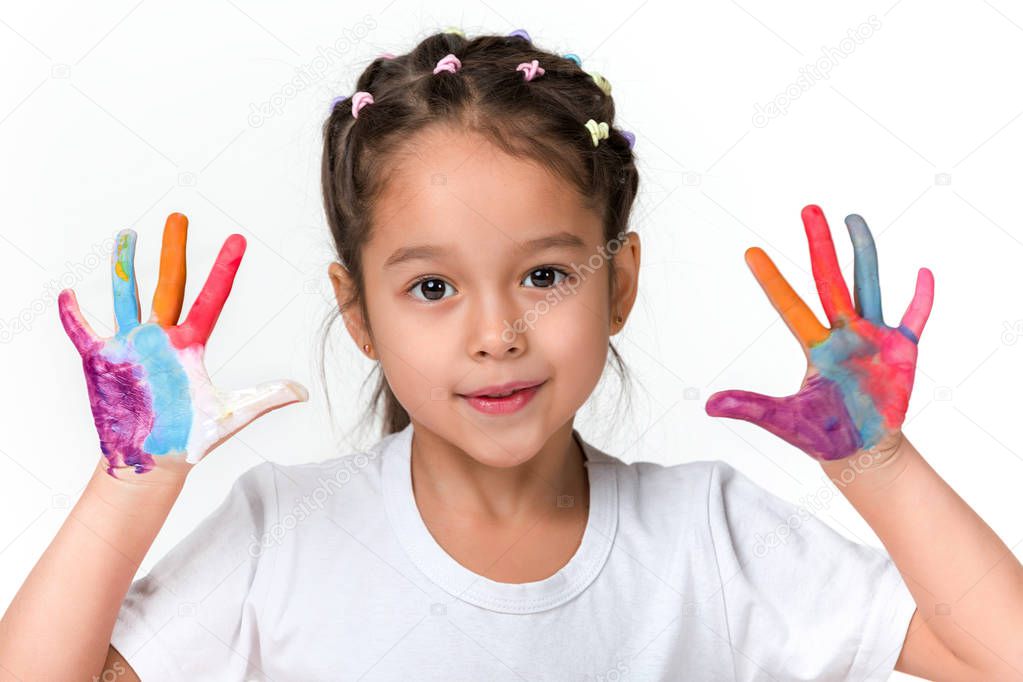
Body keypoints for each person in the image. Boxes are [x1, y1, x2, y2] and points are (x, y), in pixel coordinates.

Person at [1, 28, 1021, 681]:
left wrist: (878, 464)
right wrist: (129, 482)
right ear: (358, 313)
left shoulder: (708, 534)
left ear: (618, 283)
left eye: (544, 275)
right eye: (432, 288)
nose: (496, 333)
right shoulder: (285, 534)